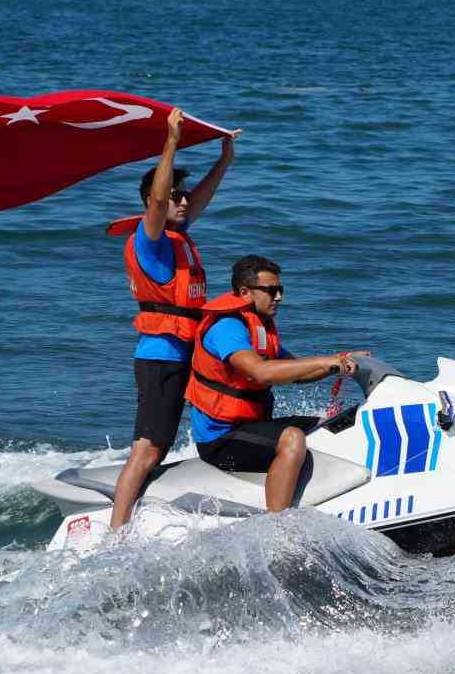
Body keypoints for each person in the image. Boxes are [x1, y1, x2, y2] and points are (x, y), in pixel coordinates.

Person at [107, 107, 239, 530]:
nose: (183, 201)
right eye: (174, 196)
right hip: (161, 356)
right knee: (147, 448)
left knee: (192, 431)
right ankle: (117, 530)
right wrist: (171, 140)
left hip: (187, 351)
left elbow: (200, 198)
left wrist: (224, 159)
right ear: (151, 204)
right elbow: (162, 198)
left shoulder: (179, 237)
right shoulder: (150, 242)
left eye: (184, 196)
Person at [186, 255, 364, 512]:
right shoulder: (226, 328)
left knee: (330, 426)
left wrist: (339, 361)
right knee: (292, 439)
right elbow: (260, 372)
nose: (279, 296)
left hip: (250, 426)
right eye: (271, 291)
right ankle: (278, 525)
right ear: (245, 292)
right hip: (220, 439)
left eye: (280, 289)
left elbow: (299, 374)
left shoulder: (259, 328)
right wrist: (324, 361)